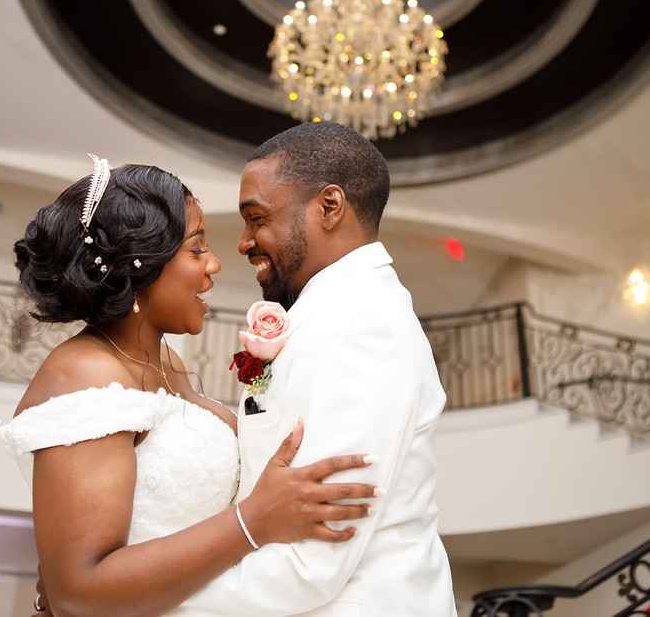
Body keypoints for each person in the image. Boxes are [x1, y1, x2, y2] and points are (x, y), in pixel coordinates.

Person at [0, 158, 378, 616]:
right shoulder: (86, 374)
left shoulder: (165, 362)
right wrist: (253, 521)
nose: (214, 263)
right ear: (139, 264)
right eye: (196, 249)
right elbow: (78, 592)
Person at [173, 121, 457, 615]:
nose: (243, 242)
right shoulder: (335, 312)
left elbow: (314, 562)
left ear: (329, 206)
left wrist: (138, 601)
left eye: (257, 218)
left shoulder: (364, 323)